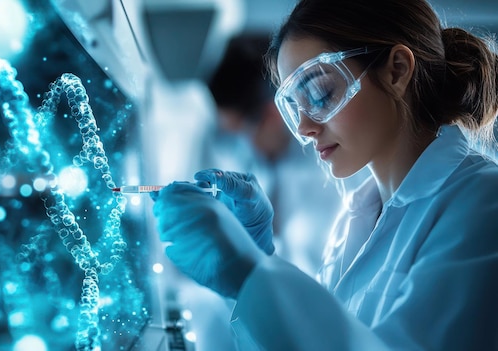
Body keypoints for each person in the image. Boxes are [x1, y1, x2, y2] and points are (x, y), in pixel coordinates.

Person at [150, 0, 498, 350]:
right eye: (294, 106)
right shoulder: (353, 220)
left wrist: (252, 273)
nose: (303, 127)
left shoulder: (484, 203)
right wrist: (260, 263)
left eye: (319, 93)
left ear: (397, 71)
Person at [202, 33, 346, 275]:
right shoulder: (268, 164)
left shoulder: (331, 177)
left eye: (241, 135)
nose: (241, 148)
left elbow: (312, 280)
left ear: (272, 116)